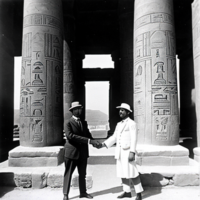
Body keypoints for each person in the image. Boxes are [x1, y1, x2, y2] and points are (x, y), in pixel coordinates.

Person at [100, 103, 143, 200]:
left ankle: (139, 193)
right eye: (120, 110)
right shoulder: (119, 124)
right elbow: (114, 137)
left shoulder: (132, 123)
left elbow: (134, 138)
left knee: (133, 172)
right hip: (119, 152)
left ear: (128, 112)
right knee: (122, 172)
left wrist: (132, 152)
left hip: (128, 151)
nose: (120, 111)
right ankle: (127, 192)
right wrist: (103, 144)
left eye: (123, 110)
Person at [63, 101, 100, 200]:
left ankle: (83, 193)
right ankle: (65, 194)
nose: (79, 110)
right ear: (72, 111)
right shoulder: (67, 122)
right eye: (76, 109)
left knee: (82, 174)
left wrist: (96, 143)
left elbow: (88, 135)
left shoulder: (84, 122)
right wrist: (89, 141)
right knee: (68, 173)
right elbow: (70, 136)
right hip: (71, 153)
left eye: (80, 108)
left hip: (83, 152)